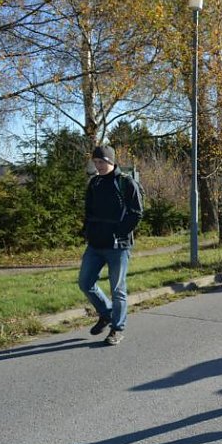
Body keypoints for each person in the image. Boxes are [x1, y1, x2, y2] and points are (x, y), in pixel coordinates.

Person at [79, 145, 144, 346]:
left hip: (118, 246)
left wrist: (119, 233)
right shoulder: (95, 183)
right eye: (96, 162)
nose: (98, 166)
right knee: (85, 282)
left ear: (111, 161)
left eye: (102, 162)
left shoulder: (126, 183)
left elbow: (136, 213)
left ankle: (117, 328)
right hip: (95, 244)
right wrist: (88, 231)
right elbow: (88, 211)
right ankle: (106, 313)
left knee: (118, 289)